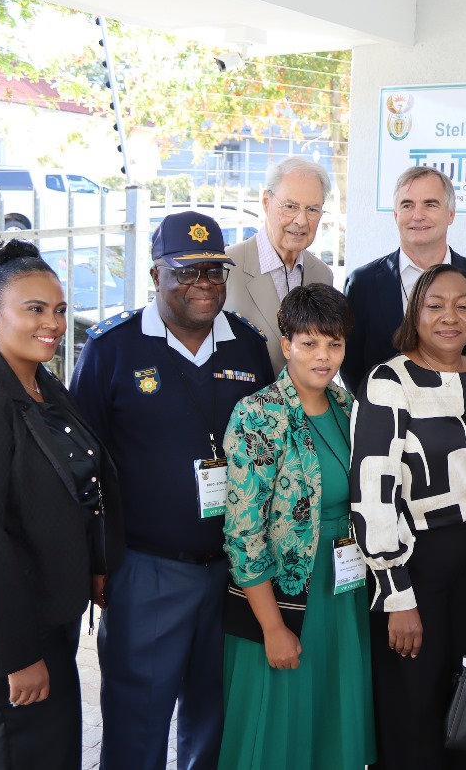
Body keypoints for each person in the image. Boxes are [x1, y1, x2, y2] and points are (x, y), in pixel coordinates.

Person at [70, 211, 274, 770]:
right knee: (138, 721)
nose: (203, 283)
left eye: (214, 270)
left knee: (215, 715)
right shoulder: (112, 349)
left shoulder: (249, 348)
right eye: (186, 271)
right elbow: (82, 465)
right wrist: (95, 557)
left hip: (235, 569)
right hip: (147, 568)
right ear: (155, 273)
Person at [0, 240, 123, 768]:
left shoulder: (41, 384)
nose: (54, 323)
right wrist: (18, 657)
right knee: (21, 757)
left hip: (40, 613)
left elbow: (71, 491)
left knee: (52, 753)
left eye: (60, 309)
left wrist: (92, 564)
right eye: (35, 309)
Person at [349, 263, 466, 770]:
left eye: (463, 305)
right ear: (414, 312)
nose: (450, 317)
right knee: (413, 707)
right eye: (435, 305)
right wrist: (396, 595)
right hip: (417, 562)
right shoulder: (388, 381)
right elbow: (373, 495)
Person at [219, 284, 376, 769]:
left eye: (334, 344)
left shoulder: (351, 410)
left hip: (341, 589)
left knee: (331, 715)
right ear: (286, 345)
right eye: (309, 343)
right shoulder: (259, 416)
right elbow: (244, 535)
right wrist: (272, 627)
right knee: (275, 728)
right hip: (283, 597)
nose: (323, 356)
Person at [341, 166, 466, 392]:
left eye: (430, 204)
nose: (417, 215)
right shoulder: (362, 284)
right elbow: (351, 367)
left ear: (451, 214)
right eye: (407, 205)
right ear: (396, 215)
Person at [225, 157, 336, 376]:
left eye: (312, 209)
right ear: (266, 202)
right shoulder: (227, 267)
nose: (301, 221)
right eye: (290, 207)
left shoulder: (323, 275)